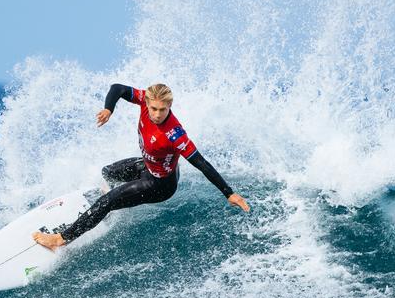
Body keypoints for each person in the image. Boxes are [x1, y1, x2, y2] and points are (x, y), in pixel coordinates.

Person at [32, 83, 250, 250]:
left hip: (159, 185)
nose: (156, 114)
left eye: (162, 110)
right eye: (153, 108)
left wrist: (228, 193)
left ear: (170, 106)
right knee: (107, 172)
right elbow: (117, 88)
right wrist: (109, 109)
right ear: (147, 103)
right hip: (146, 165)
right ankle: (107, 207)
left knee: (107, 201)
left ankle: (61, 239)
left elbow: (202, 164)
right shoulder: (144, 101)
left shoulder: (175, 134)